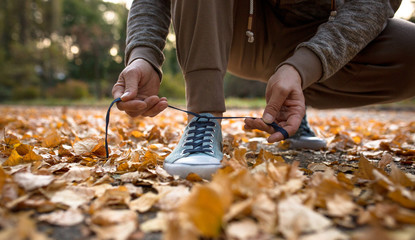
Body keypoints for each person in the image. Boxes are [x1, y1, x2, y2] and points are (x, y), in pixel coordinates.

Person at [112, 0, 415, 179]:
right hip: (232, 29)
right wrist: (143, 55)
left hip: (320, 34)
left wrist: (302, 66)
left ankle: (292, 97)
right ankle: (203, 118)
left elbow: (373, 4)